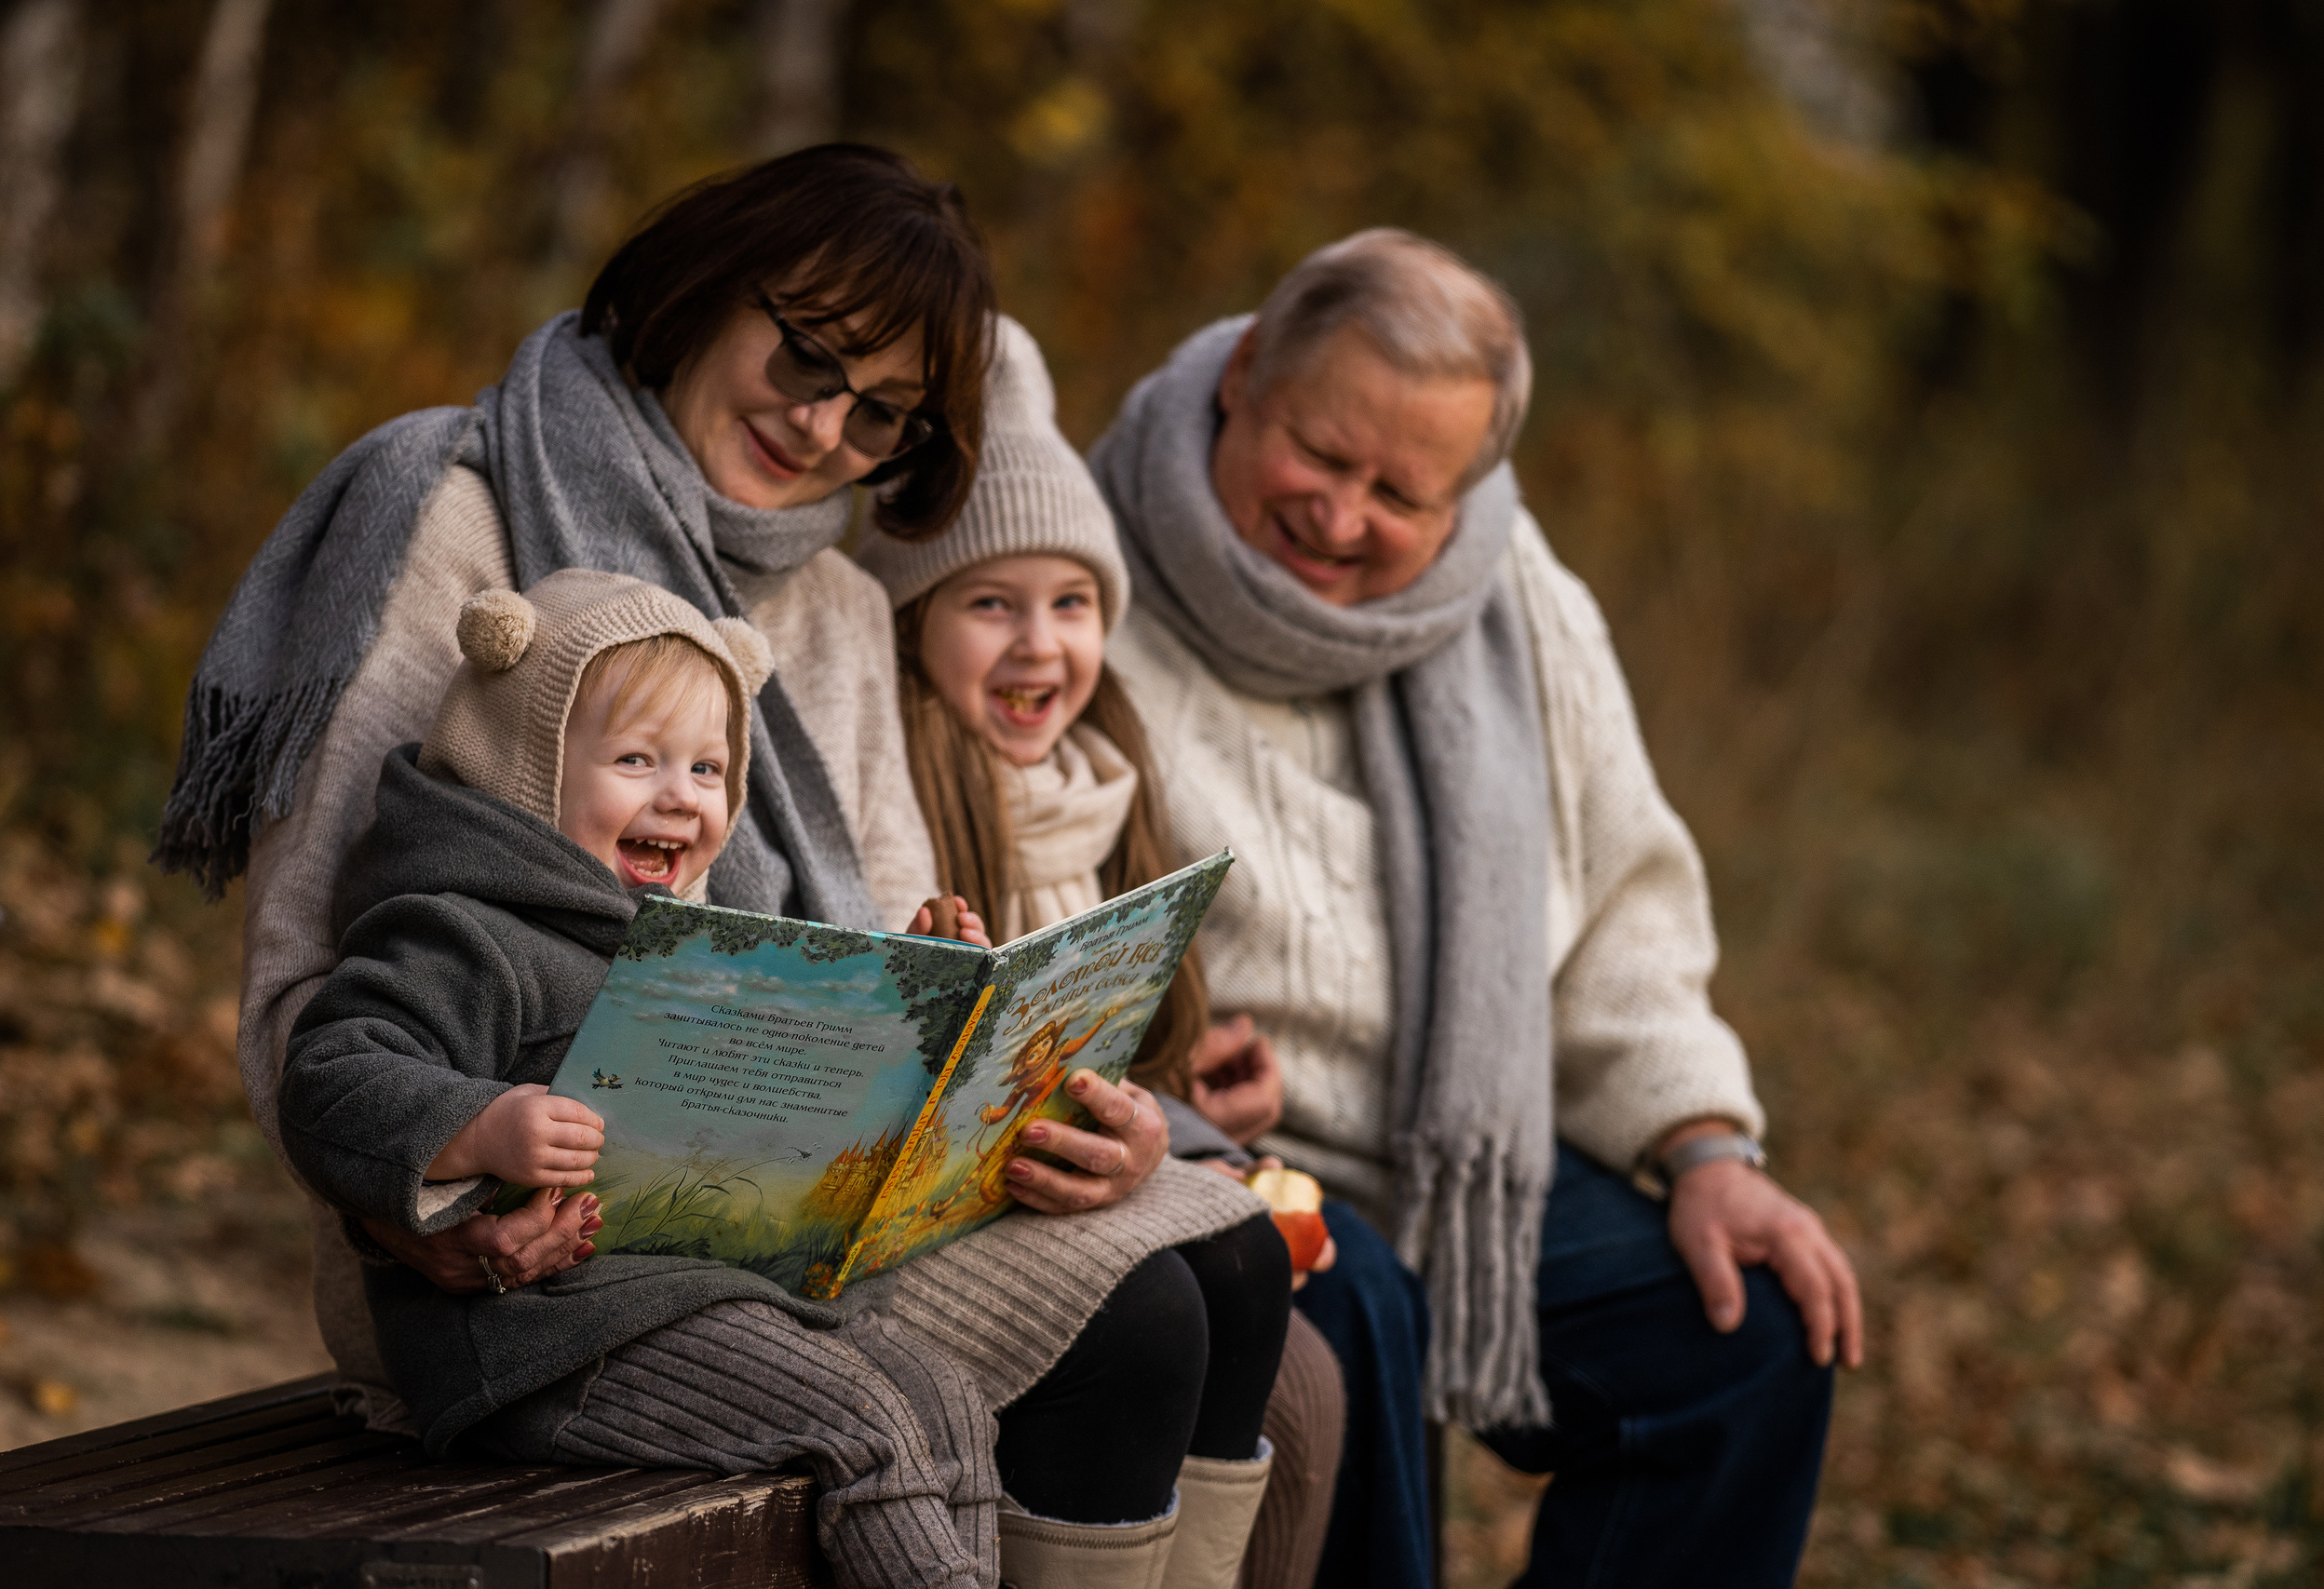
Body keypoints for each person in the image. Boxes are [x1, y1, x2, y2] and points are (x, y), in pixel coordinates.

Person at [157, 144, 1277, 1586]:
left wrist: (1046, 1105)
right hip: (535, 1256)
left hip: (803, 1193)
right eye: (808, 357)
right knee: (1144, 1323)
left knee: (1239, 1261)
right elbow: (313, 981)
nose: (822, 427)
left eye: (882, 413)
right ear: (701, 284)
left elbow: (888, 976)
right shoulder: (456, 514)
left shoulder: (835, 604)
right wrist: (423, 1198)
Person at [1090, 229, 1868, 1588]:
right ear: (1249, 372)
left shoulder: (1518, 604)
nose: (1341, 516)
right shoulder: (1083, 571)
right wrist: (1161, 1074)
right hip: (1206, 1158)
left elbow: (1625, 897)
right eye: (1321, 456)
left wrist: (1702, 1148)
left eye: (1400, 492)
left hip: (1471, 1149)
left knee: (1741, 1342)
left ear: (1474, 487)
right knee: (1347, 1297)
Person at [279, 571, 1006, 1587]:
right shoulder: (462, 930)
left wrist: (911, 993)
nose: (680, 795)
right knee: (871, 1425)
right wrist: (480, 1125)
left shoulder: (693, 953)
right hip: (542, 1342)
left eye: (708, 769)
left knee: (946, 1403)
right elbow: (325, 1079)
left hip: (700, 1295)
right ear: (527, 771)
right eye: (636, 760)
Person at [854, 316, 1345, 1589]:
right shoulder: (907, 787)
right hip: (955, 1200)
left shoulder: (1108, 781)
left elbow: (1132, 1041)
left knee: (1284, 1263)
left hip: (1094, 1157)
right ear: (915, 626)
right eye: (989, 604)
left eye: (1071, 603)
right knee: (1170, 1311)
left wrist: (1189, 1104)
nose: (1039, 644)